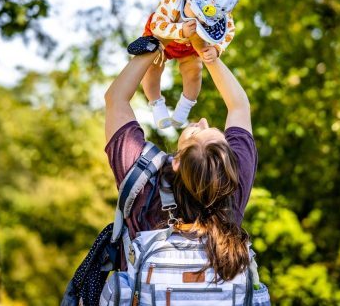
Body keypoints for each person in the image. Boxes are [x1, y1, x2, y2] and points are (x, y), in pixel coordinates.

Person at [104, 47, 256, 281]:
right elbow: (239, 107)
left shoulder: (144, 184)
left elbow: (115, 99)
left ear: (176, 162)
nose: (203, 121)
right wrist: (210, 57)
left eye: (198, 130)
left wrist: (154, 42)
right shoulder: (234, 189)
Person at [135, 0, 240, 129]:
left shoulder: (221, 14)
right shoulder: (173, 0)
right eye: (196, 13)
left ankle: (185, 105)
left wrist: (217, 49)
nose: (198, 20)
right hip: (164, 34)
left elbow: (229, 31)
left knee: (194, 70)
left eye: (205, 21)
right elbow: (157, 24)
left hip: (191, 42)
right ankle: (156, 102)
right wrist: (179, 30)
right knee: (152, 66)